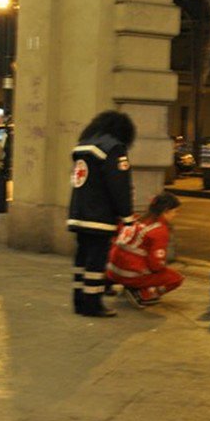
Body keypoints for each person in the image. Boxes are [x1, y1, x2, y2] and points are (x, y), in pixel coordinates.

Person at [68, 110, 137, 317]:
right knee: (96, 261)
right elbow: (119, 185)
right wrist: (127, 216)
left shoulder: (83, 147)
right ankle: (93, 304)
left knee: (81, 258)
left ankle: (79, 300)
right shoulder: (114, 148)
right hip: (99, 215)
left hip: (79, 212)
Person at [106, 192, 184, 308]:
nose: (175, 215)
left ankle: (128, 284)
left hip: (112, 271)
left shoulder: (137, 220)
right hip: (130, 274)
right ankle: (143, 294)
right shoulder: (160, 230)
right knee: (175, 279)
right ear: (166, 211)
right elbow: (156, 265)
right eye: (174, 211)